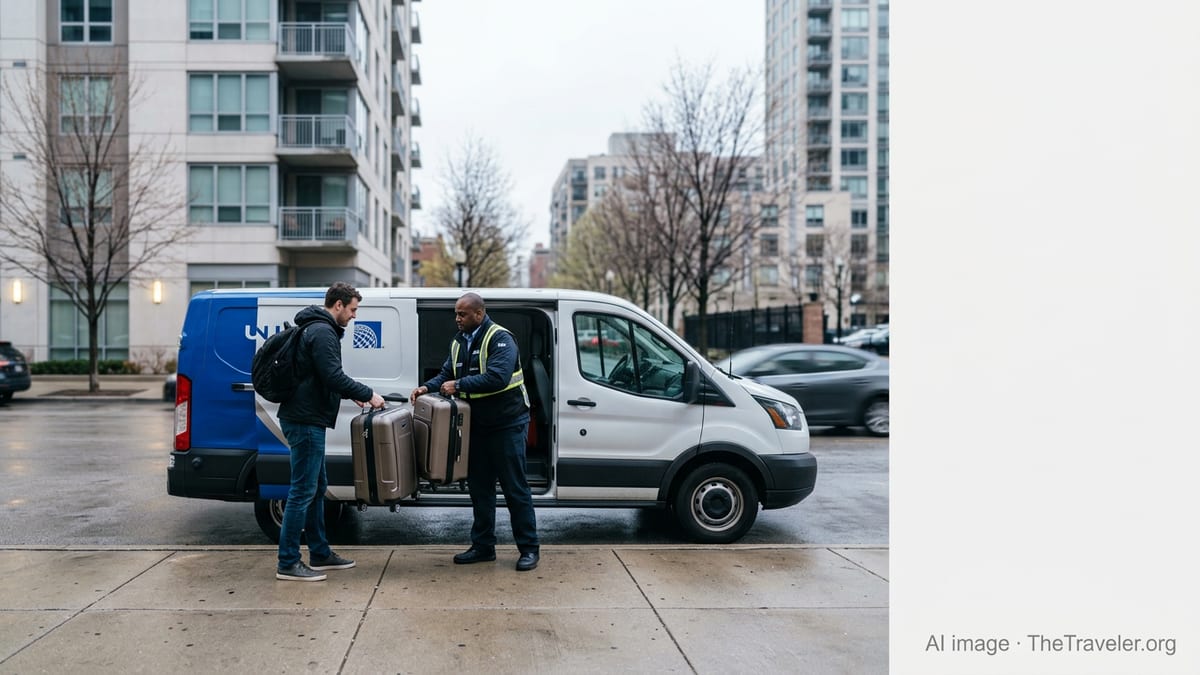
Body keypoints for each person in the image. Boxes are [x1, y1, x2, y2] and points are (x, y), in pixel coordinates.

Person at [411, 292, 540, 571]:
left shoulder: (501, 338)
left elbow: (497, 377)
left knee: (514, 488)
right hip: (477, 426)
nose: (457, 319)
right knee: (480, 489)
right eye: (456, 314)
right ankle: (483, 547)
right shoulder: (459, 341)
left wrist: (458, 386)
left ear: (478, 314)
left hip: (507, 423)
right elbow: (447, 373)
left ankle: (529, 549)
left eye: (462, 314)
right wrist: (427, 387)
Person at [276, 282, 385, 581]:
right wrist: (367, 393)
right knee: (302, 491)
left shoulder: (315, 328)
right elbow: (332, 375)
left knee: (316, 486)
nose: (354, 316)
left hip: (306, 416)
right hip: (305, 419)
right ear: (337, 305)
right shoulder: (323, 332)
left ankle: (320, 552)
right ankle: (287, 561)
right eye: (352, 309)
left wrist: (352, 394)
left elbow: (322, 377)